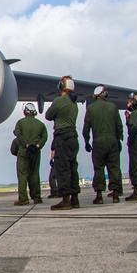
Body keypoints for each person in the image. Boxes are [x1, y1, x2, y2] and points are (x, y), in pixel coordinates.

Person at [82, 85, 124, 204]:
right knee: (114, 168)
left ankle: (99, 196)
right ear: (104, 94)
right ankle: (116, 195)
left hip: (98, 142)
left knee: (98, 168)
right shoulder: (113, 107)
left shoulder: (90, 108)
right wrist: (119, 139)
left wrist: (87, 141)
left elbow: (86, 128)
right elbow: (119, 125)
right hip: (112, 141)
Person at [45, 76, 80, 210]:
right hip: (73, 137)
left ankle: (66, 199)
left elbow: (48, 116)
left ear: (61, 86)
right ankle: (75, 199)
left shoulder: (59, 101)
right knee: (73, 168)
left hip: (62, 137)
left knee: (63, 168)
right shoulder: (74, 102)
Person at [14, 103, 47, 205]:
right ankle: (37, 197)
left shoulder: (20, 123)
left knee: (22, 175)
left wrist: (27, 145)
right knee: (35, 174)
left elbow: (18, 134)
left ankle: (23, 199)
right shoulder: (41, 124)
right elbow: (45, 137)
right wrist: (38, 145)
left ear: (25, 112)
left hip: (24, 151)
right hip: (36, 152)